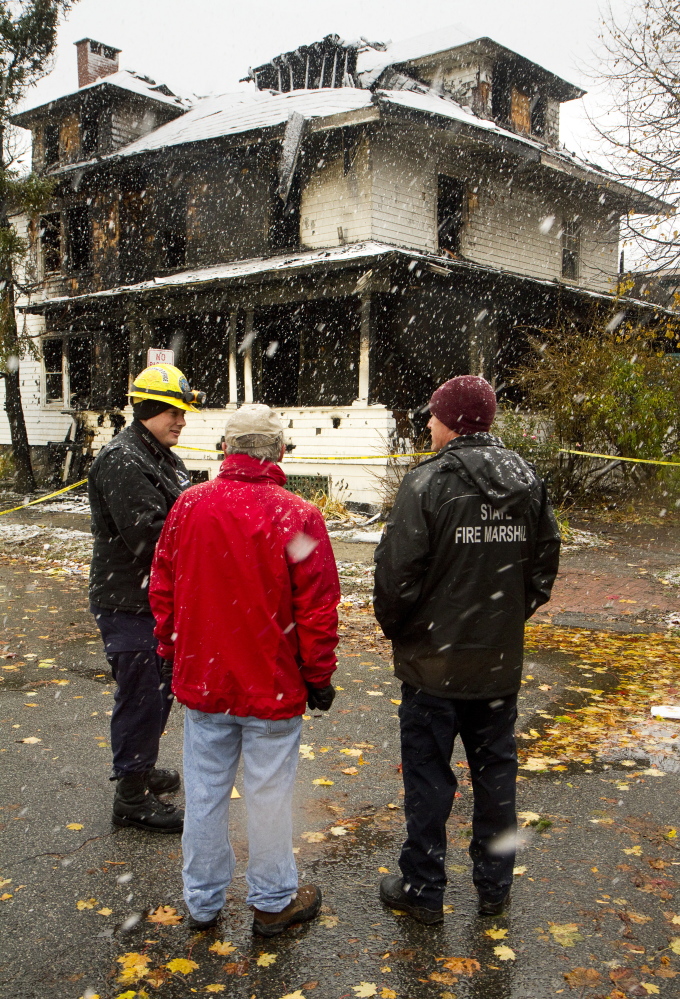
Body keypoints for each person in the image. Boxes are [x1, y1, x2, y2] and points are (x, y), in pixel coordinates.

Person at [374, 374, 561, 923]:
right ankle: (494, 888)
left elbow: (395, 577)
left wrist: (405, 630)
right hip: (495, 667)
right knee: (496, 777)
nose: (428, 425)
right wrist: (504, 618)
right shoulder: (526, 479)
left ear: (453, 421)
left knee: (430, 779)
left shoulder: (426, 483)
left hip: (434, 668)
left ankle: (424, 890)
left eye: (433, 416)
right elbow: (543, 565)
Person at [150, 403, 340, 934]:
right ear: (278, 452)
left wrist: (171, 652)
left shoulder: (189, 508)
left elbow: (163, 587)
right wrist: (318, 674)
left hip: (206, 682)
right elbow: (316, 606)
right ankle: (273, 900)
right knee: (269, 795)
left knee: (206, 794)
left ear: (227, 451)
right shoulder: (297, 516)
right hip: (272, 686)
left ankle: (203, 901)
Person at [88, 363, 205, 833]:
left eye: (183, 412)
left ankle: (142, 765)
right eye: (173, 411)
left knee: (158, 692)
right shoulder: (124, 459)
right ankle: (131, 798)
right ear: (147, 408)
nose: (181, 421)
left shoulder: (159, 454)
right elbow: (149, 537)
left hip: (154, 599)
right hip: (128, 601)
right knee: (141, 696)